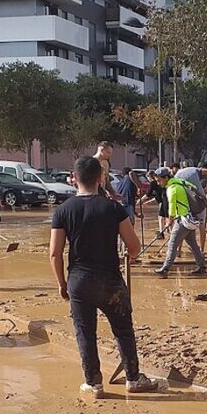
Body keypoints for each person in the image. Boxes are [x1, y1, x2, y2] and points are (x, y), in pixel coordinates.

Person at [49, 156, 156, 399]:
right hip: (110, 282)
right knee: (123, 329)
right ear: (101, 178)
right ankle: (133, 378)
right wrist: (131, 256)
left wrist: (61, 284)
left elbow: (55, 253)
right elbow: (134, 245)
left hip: (79, 281)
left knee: (85, 332)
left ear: (74, 179)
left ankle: (93, 383)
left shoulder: (63, 211)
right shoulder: (113, 208)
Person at [153, 167, 207, 278]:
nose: (158, 183)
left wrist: (170, 220)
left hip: (182, 220)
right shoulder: (180, 183)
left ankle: (165, 269)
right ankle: (202, 267)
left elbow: (172, 206)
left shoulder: (172, 188)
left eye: (159, 180)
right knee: (193, 245)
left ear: (166, 178)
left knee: (172, 244)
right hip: (189, 218)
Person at [175, 163, 207, 254]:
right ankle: (202, 251)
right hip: (200, 201)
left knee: (183, 226)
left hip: (186, 203)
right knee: (202, 226)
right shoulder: (195, 170)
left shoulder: (175, 177)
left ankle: (178, 250)